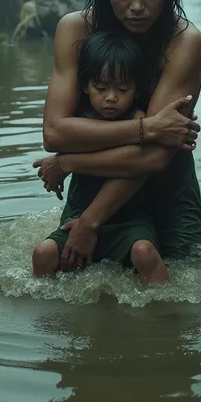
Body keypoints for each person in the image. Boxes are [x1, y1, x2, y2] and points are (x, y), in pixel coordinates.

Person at [32, 0, 201, 282]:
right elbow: (55, 131)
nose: (137, 6)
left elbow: (156, 157)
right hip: (94, 186)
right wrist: (148, 127)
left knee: (182, 299)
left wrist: (68, 167)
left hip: (166, 193)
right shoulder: (75, 29)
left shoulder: (185, 42)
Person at [48, 28, 170, 283]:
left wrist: (66, 164)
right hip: (79, 213)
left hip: (129, 216)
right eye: (101, 87)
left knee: (145, 253)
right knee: (42, 254)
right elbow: (57, 144)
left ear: (136, 90)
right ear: (85, 86)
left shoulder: (138, 120)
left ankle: (167, 316)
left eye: (122, 89)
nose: (111, 98)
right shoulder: (77, 121)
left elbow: (142, 160)